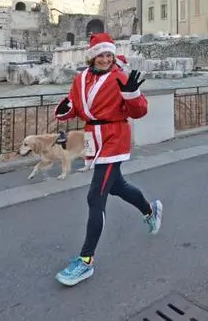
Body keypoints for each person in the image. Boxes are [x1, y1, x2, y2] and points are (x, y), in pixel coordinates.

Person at [53, 32, 163, 286]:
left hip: (114, 137)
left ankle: (85, 261)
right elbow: (76, 107)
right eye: (100, 55)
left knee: (95, 196)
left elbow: (140, 111)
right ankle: (150, 210)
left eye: (109, 55)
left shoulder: (120, 77)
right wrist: (65, 110)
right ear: (92, 57)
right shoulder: (80, 79)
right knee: (116, 186)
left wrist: (132, 94)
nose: (105, 59)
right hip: (94, 137)